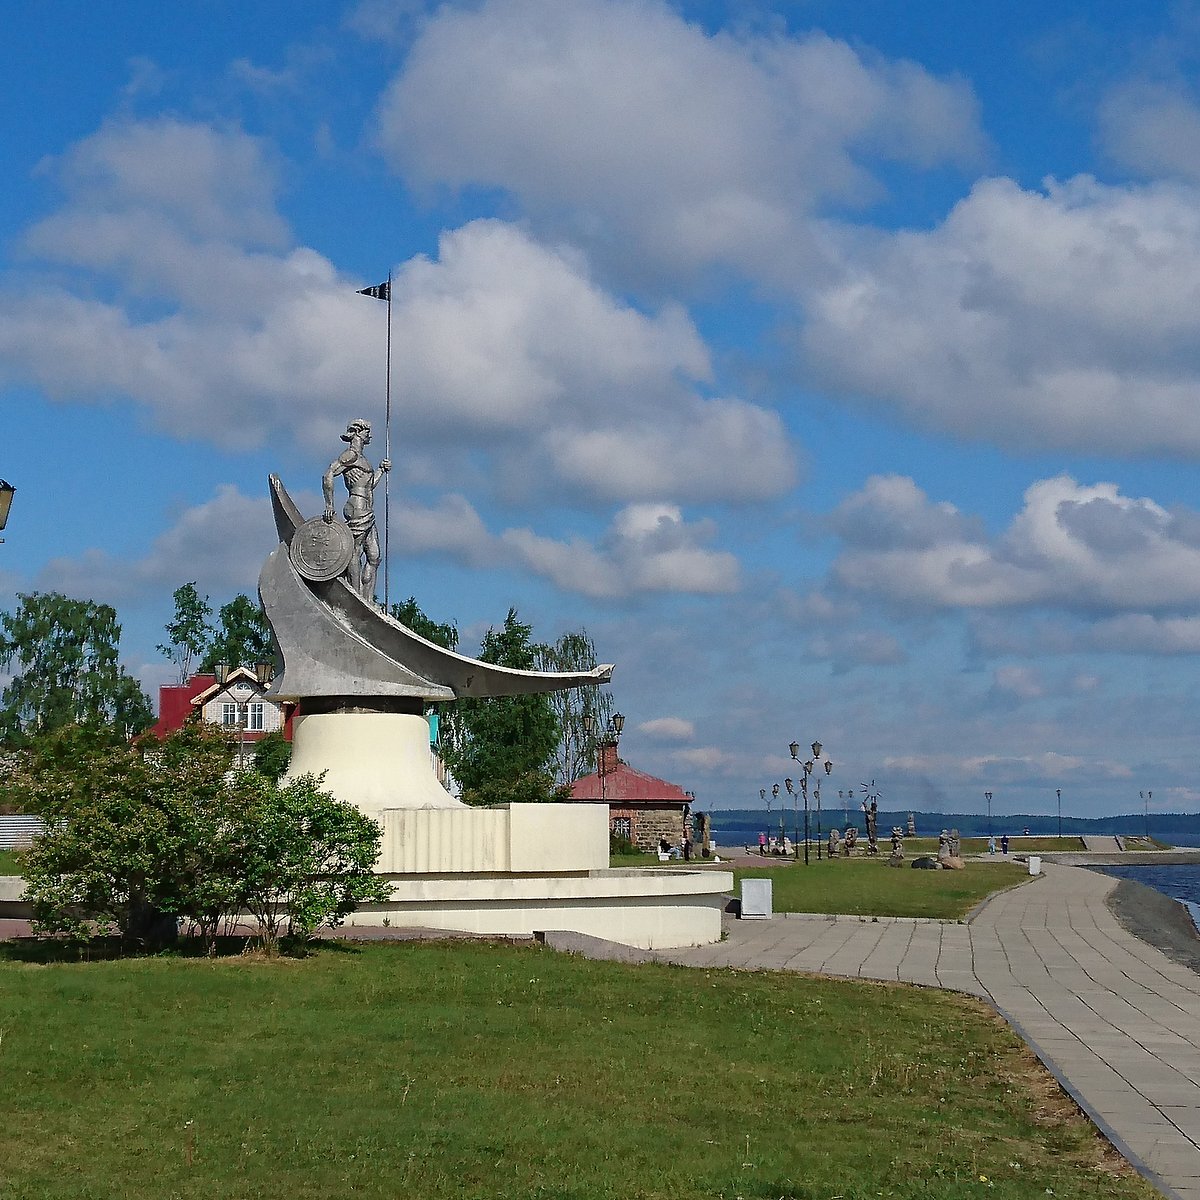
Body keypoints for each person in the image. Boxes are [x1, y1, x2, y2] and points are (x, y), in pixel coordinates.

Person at [323, 417, 390, 601]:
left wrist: (380, 471)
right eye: (367, 431)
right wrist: (329, 505)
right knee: (355, 551)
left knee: (375, 556)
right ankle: (356, 595)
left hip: (368, 509)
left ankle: (367, 599)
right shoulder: (350, 455)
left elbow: (368, 486)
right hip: (356, 507)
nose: (370, 435)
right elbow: (328, 474)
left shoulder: (362, 459)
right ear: (359, 432)